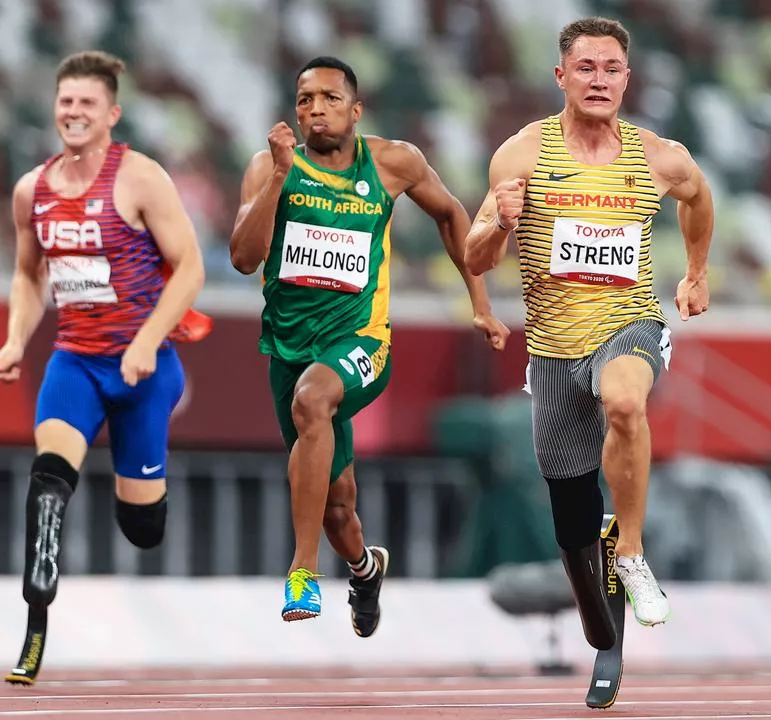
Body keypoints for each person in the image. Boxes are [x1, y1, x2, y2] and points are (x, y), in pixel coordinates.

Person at [229, 56, 509, 630]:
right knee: (338, 509)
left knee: (314, 400)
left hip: (361, 341)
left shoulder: (393, 163)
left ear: (355, 110)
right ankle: (363, 568)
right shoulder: (269, 168)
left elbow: (453, 215)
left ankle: (303, 573)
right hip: (289, 346)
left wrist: (479, 301)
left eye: (330, 98)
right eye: (305, 99)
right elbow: (242, 258)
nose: (315, 108)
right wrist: (280, 178)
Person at [463, 17, 714, 650]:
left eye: (611, 69)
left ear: (627, 80)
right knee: (571, 514)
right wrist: (500, 225)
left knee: (625, 400)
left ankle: (629, 549)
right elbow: (474, 257)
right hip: (551, 347)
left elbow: (698, 198)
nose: (598, 80)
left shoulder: (660, 157)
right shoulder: (521, 155)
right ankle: (597, 610)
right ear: (561, 76)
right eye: (586, 68)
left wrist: (697, 274)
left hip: (628, 324)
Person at [0, 51, 208, 684]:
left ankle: (143, 493)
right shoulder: (31, 190)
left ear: (111, 114)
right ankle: (35, 628)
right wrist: (15, 339)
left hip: (146, 373)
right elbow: (30, 275)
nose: (73, 113)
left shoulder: (140, 179)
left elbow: (193, 267)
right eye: (66, 102)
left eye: (87, 103)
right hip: (76, 362)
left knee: (141, 527)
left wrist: (146, 340)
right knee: (48, 482)